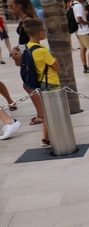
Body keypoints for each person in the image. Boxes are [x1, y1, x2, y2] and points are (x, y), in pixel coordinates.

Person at [8, 0, 46, 126]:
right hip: (26, 53)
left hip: (30, 54)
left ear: (19, 6)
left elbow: (34, 38)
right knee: (29, 84)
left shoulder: (27, 21)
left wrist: (22, 52)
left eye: (11, 5)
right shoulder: (23, 20)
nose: (9, 8)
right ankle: (42, 112)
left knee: (28, 85)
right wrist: (16, 48)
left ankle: (42, 114)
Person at [22, 17, 60, 147]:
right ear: (39, 33)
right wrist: (54, 60)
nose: (45, 32)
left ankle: (46, 138)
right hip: (51, 82)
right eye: (44, 30)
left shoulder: (29, 48)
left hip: (40, 82)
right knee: (53, 112)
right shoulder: (42, 50)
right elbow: (57, 67)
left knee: (47, 112)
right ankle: (51, 137)